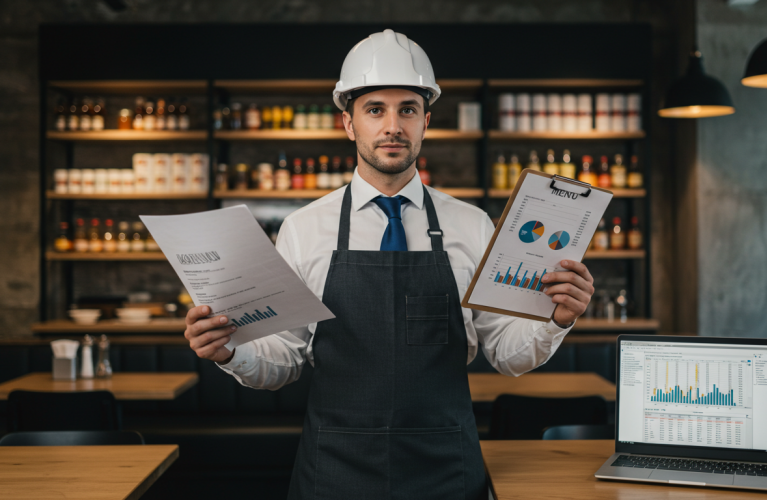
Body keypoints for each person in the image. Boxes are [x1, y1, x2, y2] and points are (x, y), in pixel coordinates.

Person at [184, 29, 595, 499]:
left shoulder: (473, 225)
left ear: (426, 122)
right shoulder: (304, 228)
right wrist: (230, 351)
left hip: (445, 467)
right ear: (348, 123)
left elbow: (506, 353)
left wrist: (556, 319)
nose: (392, 126)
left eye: (408, 110)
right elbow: (284, 361)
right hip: (335, 467)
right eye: (375, 109)